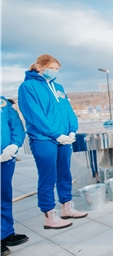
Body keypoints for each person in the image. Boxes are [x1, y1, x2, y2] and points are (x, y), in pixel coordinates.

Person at [18, 54, 87, 230]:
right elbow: (34, 114)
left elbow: (68, 110)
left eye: (57, 69)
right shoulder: (28, 87)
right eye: (52, 67)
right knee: (48, 176)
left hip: (64, 139)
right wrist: (55, 134)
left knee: (65, 174)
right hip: (44, 138)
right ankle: (49, 215)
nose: (54, 71)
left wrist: (72, 129)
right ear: (40, 67)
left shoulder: (58, 87)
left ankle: (67, 207)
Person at [1, 96, 28, 256]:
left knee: (4, 195)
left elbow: (16, 125)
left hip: (5, 157)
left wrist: (13, 145)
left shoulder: (2, 102)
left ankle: (5, 233)